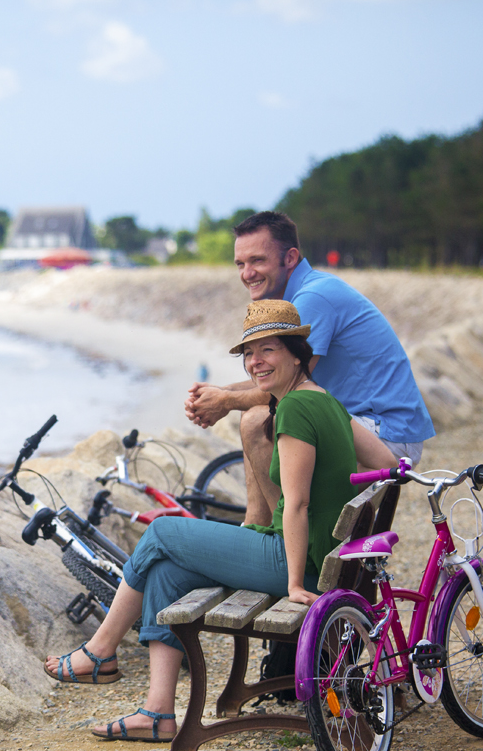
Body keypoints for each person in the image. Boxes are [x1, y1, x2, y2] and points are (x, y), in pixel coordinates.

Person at [46, 302, 394, 741]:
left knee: (159, 532)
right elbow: (387, 463)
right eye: (249, 353)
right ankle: (158, 714)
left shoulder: (293, 411)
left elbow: (299, 504)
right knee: (167, 569)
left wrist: (292, 583)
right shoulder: (326, 401)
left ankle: (100, 650)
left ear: (296, 354)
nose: (255, 362)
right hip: (327, 558)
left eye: (267, 349)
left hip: (299, 563)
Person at [185, 211, 432, 526]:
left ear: (290, 258)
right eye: (240, 264)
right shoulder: (301, 296)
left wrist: (225, 401)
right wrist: (215, 394)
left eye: (257, 261)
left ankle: (284, 538)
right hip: (360, 422)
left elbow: (281, 389)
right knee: (264, 417)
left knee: (259, 419)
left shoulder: (312, 298)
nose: (247, 273)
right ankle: (257, 526)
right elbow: (275, 380)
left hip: (385, 435)